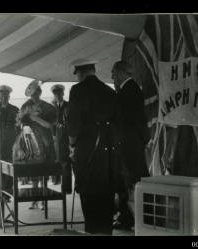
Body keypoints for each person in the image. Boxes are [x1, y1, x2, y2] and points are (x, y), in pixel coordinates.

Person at [68, 58, 118, 235]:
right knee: (106, 194)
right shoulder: (109, 90)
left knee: (88, 193)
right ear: (93, 70)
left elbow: (73, 123)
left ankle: (92, 231)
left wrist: (72, 145)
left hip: (86, 149)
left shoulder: (77, 90)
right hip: (107, 150)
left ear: (80, 73)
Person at [111, 61, 150, 231]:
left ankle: (138, 221)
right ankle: (127, 219)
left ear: (121, 73)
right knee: (126, 184)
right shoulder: (129, 90)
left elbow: (125, 122)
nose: (112, 77)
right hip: (129, 146)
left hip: (130, 147)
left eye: (113, 73)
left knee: (133, 183)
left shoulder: (129, 91)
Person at [17, 80, 56, 210]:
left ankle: (43, 200)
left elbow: (51, 124)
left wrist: (36, 118)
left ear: (40, 93)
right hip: (30, 141)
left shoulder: (48, 107)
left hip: (44, 141)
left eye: (36, 93)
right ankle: (34, 199)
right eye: (32, 94)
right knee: (33, 171)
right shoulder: (25, 106)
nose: (34, 96)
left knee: (43, 171)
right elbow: (19, 123)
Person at [51, 84, 69, 186]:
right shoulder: (52, 106)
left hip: (66, 135)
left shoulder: (68, 105)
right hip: (56, 136)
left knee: (66, 160)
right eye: (55, 94)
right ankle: (56, 180)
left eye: (59, 93)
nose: (57, 95)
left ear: (63, 93)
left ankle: (66, 186)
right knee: (56, 158)